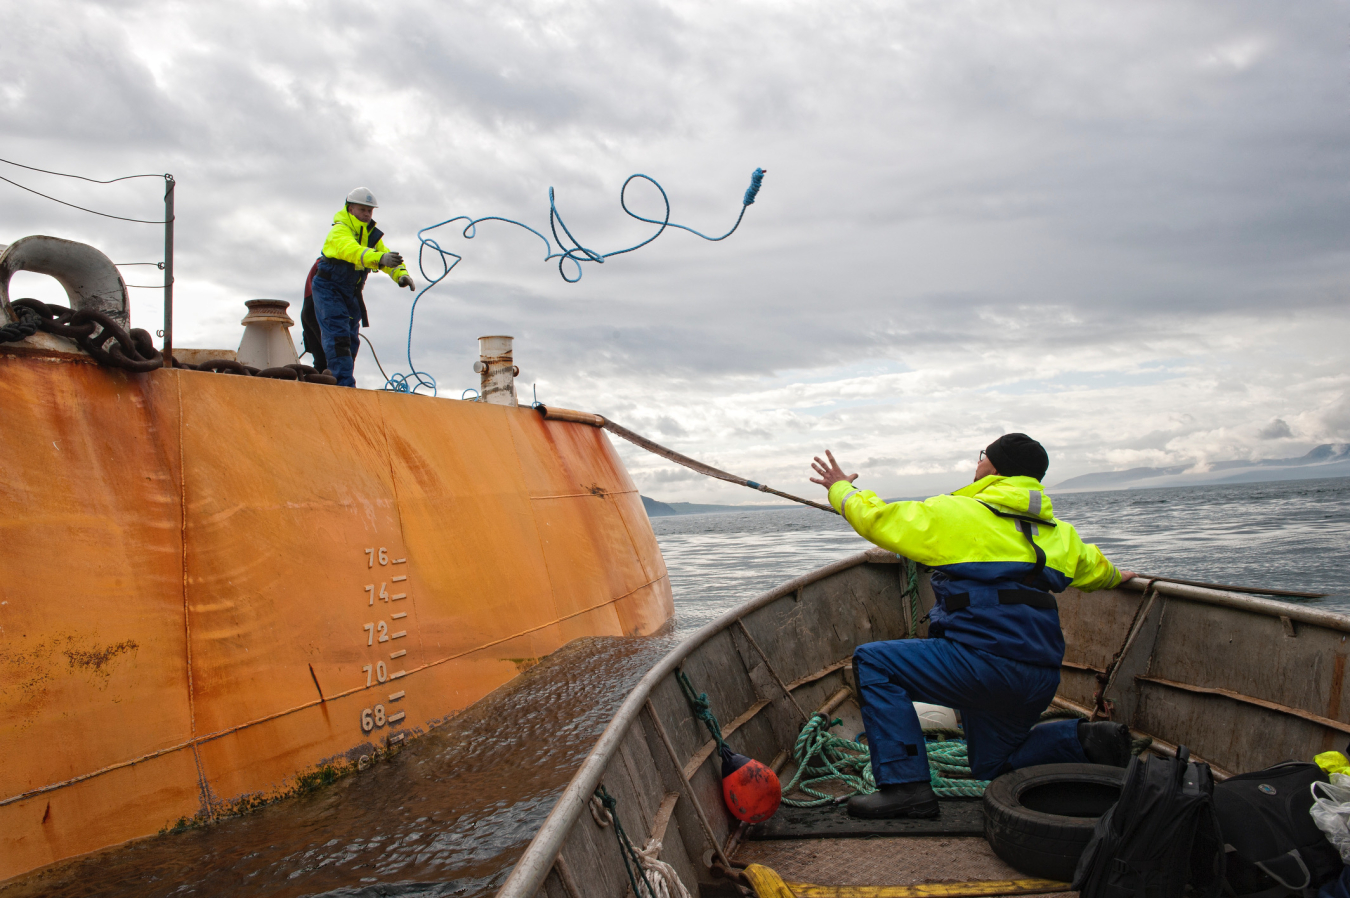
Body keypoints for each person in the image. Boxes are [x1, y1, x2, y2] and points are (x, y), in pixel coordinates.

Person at [809, 433, 1137, 819]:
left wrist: (841, 487)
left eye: (982, 457)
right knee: (993, 767)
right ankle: (1087, 741)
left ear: (993, 469)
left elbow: (878, 519)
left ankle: (905, 788)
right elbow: (1097, 569)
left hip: (981, 666)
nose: (977, 462)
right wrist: (1119, 576)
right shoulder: (1061, 534)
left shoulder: (958, 513)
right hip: (1040, 677)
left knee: (874, 662)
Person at [309, 187, 415, 387]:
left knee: (351, 340)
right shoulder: (340, 231)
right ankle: (343, 385)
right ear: (350, 209)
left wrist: (401, 275)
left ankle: (341, 381)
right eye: (362, 210)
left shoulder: (371, 235)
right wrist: (379, 258)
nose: (367, 214)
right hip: (329, 289)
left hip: (351, 293)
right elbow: (352, 252)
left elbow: (385, 256)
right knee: (338, 338)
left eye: (370, 211)